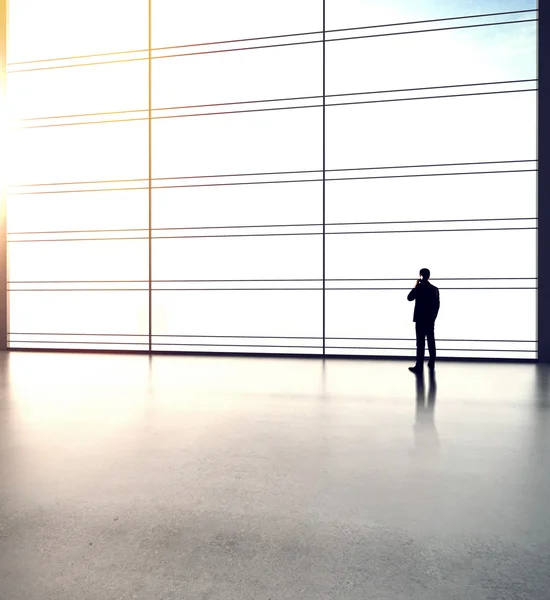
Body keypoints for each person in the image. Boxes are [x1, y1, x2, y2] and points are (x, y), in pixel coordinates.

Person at [407, 268, 440, 373]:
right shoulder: (434, 289)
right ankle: (432, 361)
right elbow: (437, 305)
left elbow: (409, 297)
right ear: (428, 276)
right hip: (430, 319)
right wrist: (433, 317)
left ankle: (419, 366)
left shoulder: (419, 288)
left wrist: (416, 286)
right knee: (431, 341)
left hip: (420, 319)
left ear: (420, 275)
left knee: (420, 343)